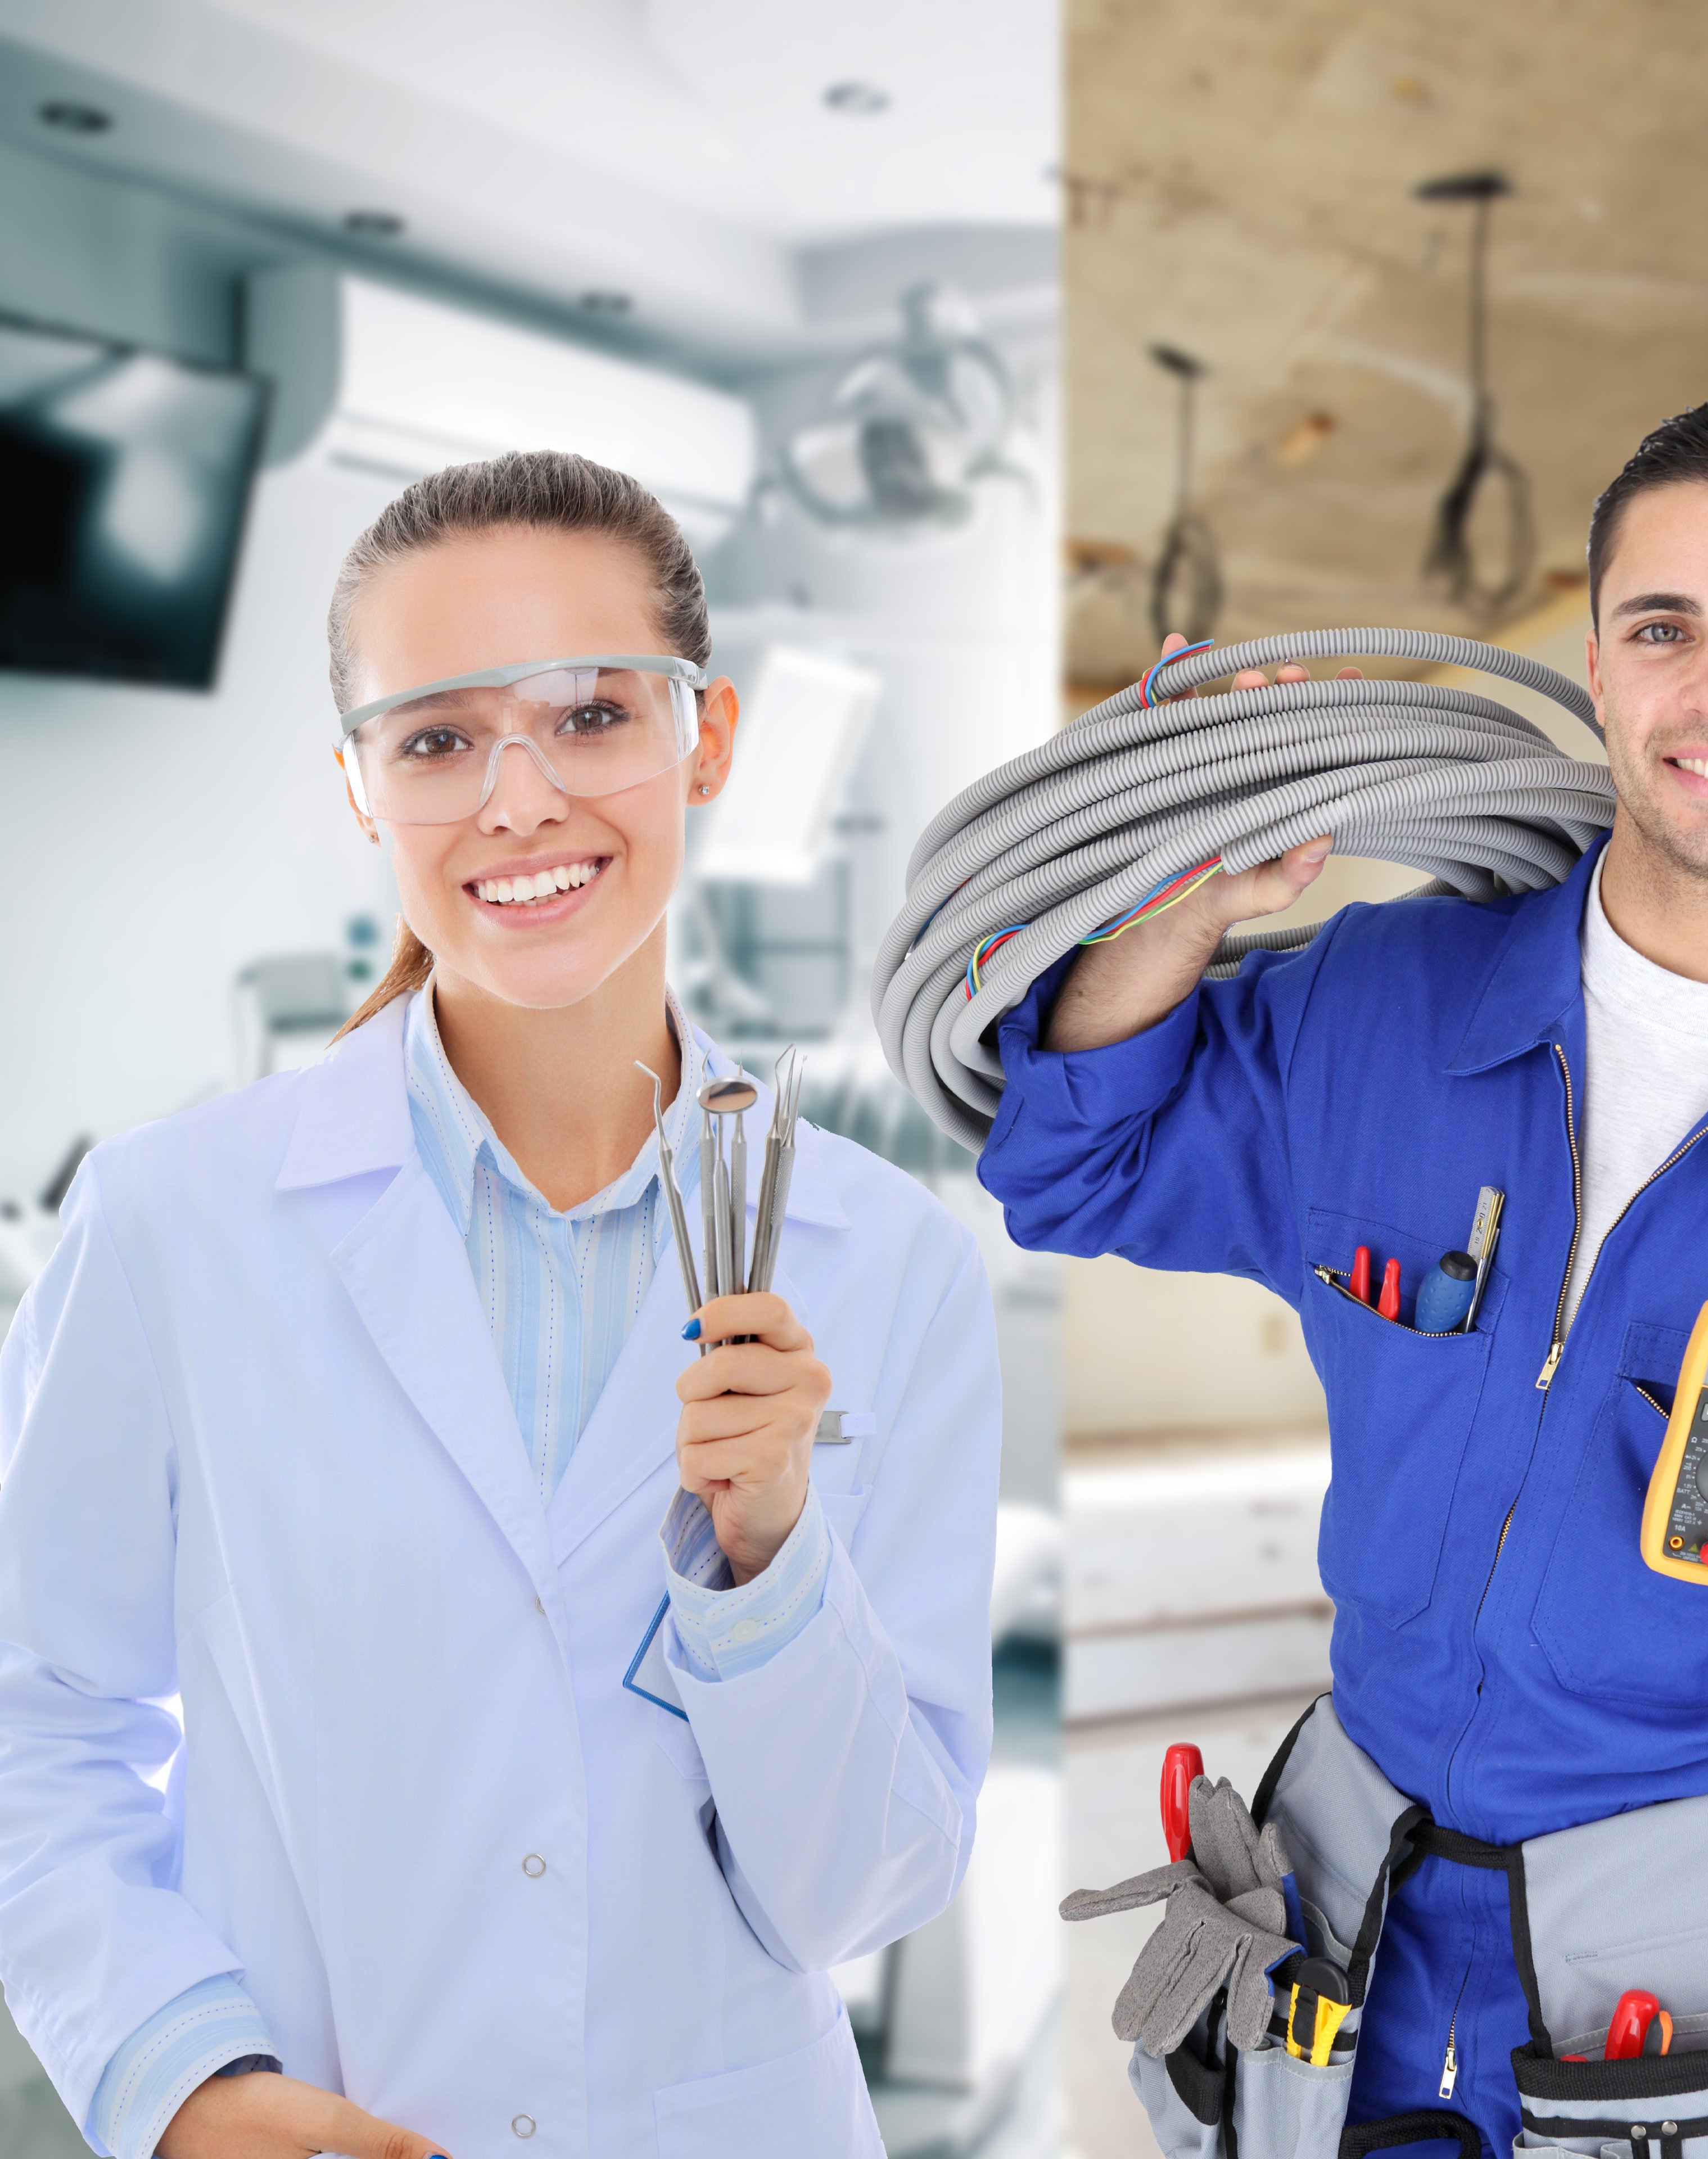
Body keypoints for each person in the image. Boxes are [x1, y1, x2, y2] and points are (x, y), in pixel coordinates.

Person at [984, 395, 1708, 2157]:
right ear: (1600, 666)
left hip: (1696, 1947)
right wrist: (1179, 898)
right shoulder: (1382, 1009)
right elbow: (1069, 1158)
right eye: (1663, 629)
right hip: (1345, 1895)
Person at [0, 451, 1001, 2159]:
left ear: (711, 739)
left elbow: (866, 1888)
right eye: (441, 739)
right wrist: (181, 2077)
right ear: (357, 785)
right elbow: (36, 1719)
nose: (520, 800)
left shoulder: (889, 1259)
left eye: (593, 715)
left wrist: (769, 1560)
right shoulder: (173, 1222)